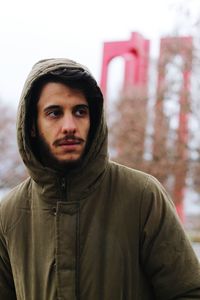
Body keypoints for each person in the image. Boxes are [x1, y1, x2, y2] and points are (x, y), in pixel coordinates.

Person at [0, 58, 200, 300]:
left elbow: (188, 292)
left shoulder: (143, 196)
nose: (69, 126)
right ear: (32, 126)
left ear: (93, 121)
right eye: (54, 113)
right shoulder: (9, 214)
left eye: (80, 112)